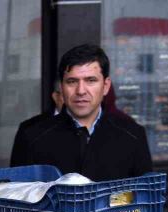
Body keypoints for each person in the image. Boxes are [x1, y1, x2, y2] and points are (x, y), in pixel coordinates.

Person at [10, 44, 152, 180]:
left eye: (91, 80)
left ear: (106, 86)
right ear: (62, 87)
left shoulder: (133, 135)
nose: (81, 91)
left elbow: (146, 200)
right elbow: (17, 198)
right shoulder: (31, 136)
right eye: (72, 81)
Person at [9, 81, 64, 166]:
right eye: (66, 93)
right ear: (56, 97)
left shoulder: (91, 126)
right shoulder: (28, 129)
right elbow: (19, 174)